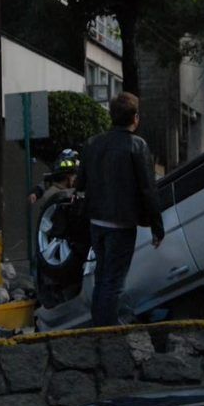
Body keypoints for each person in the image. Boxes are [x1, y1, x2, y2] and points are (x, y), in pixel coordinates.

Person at [76, 92, 164, 327]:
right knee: (113, 281)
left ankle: (99, 326)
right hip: (122, 223)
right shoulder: (137, 145)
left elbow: (80, 183)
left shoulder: (93, 143)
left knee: (102, 275)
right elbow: (148, 189)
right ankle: (106, 332)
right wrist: (157, 227)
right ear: (135, 117)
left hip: (96, 220)